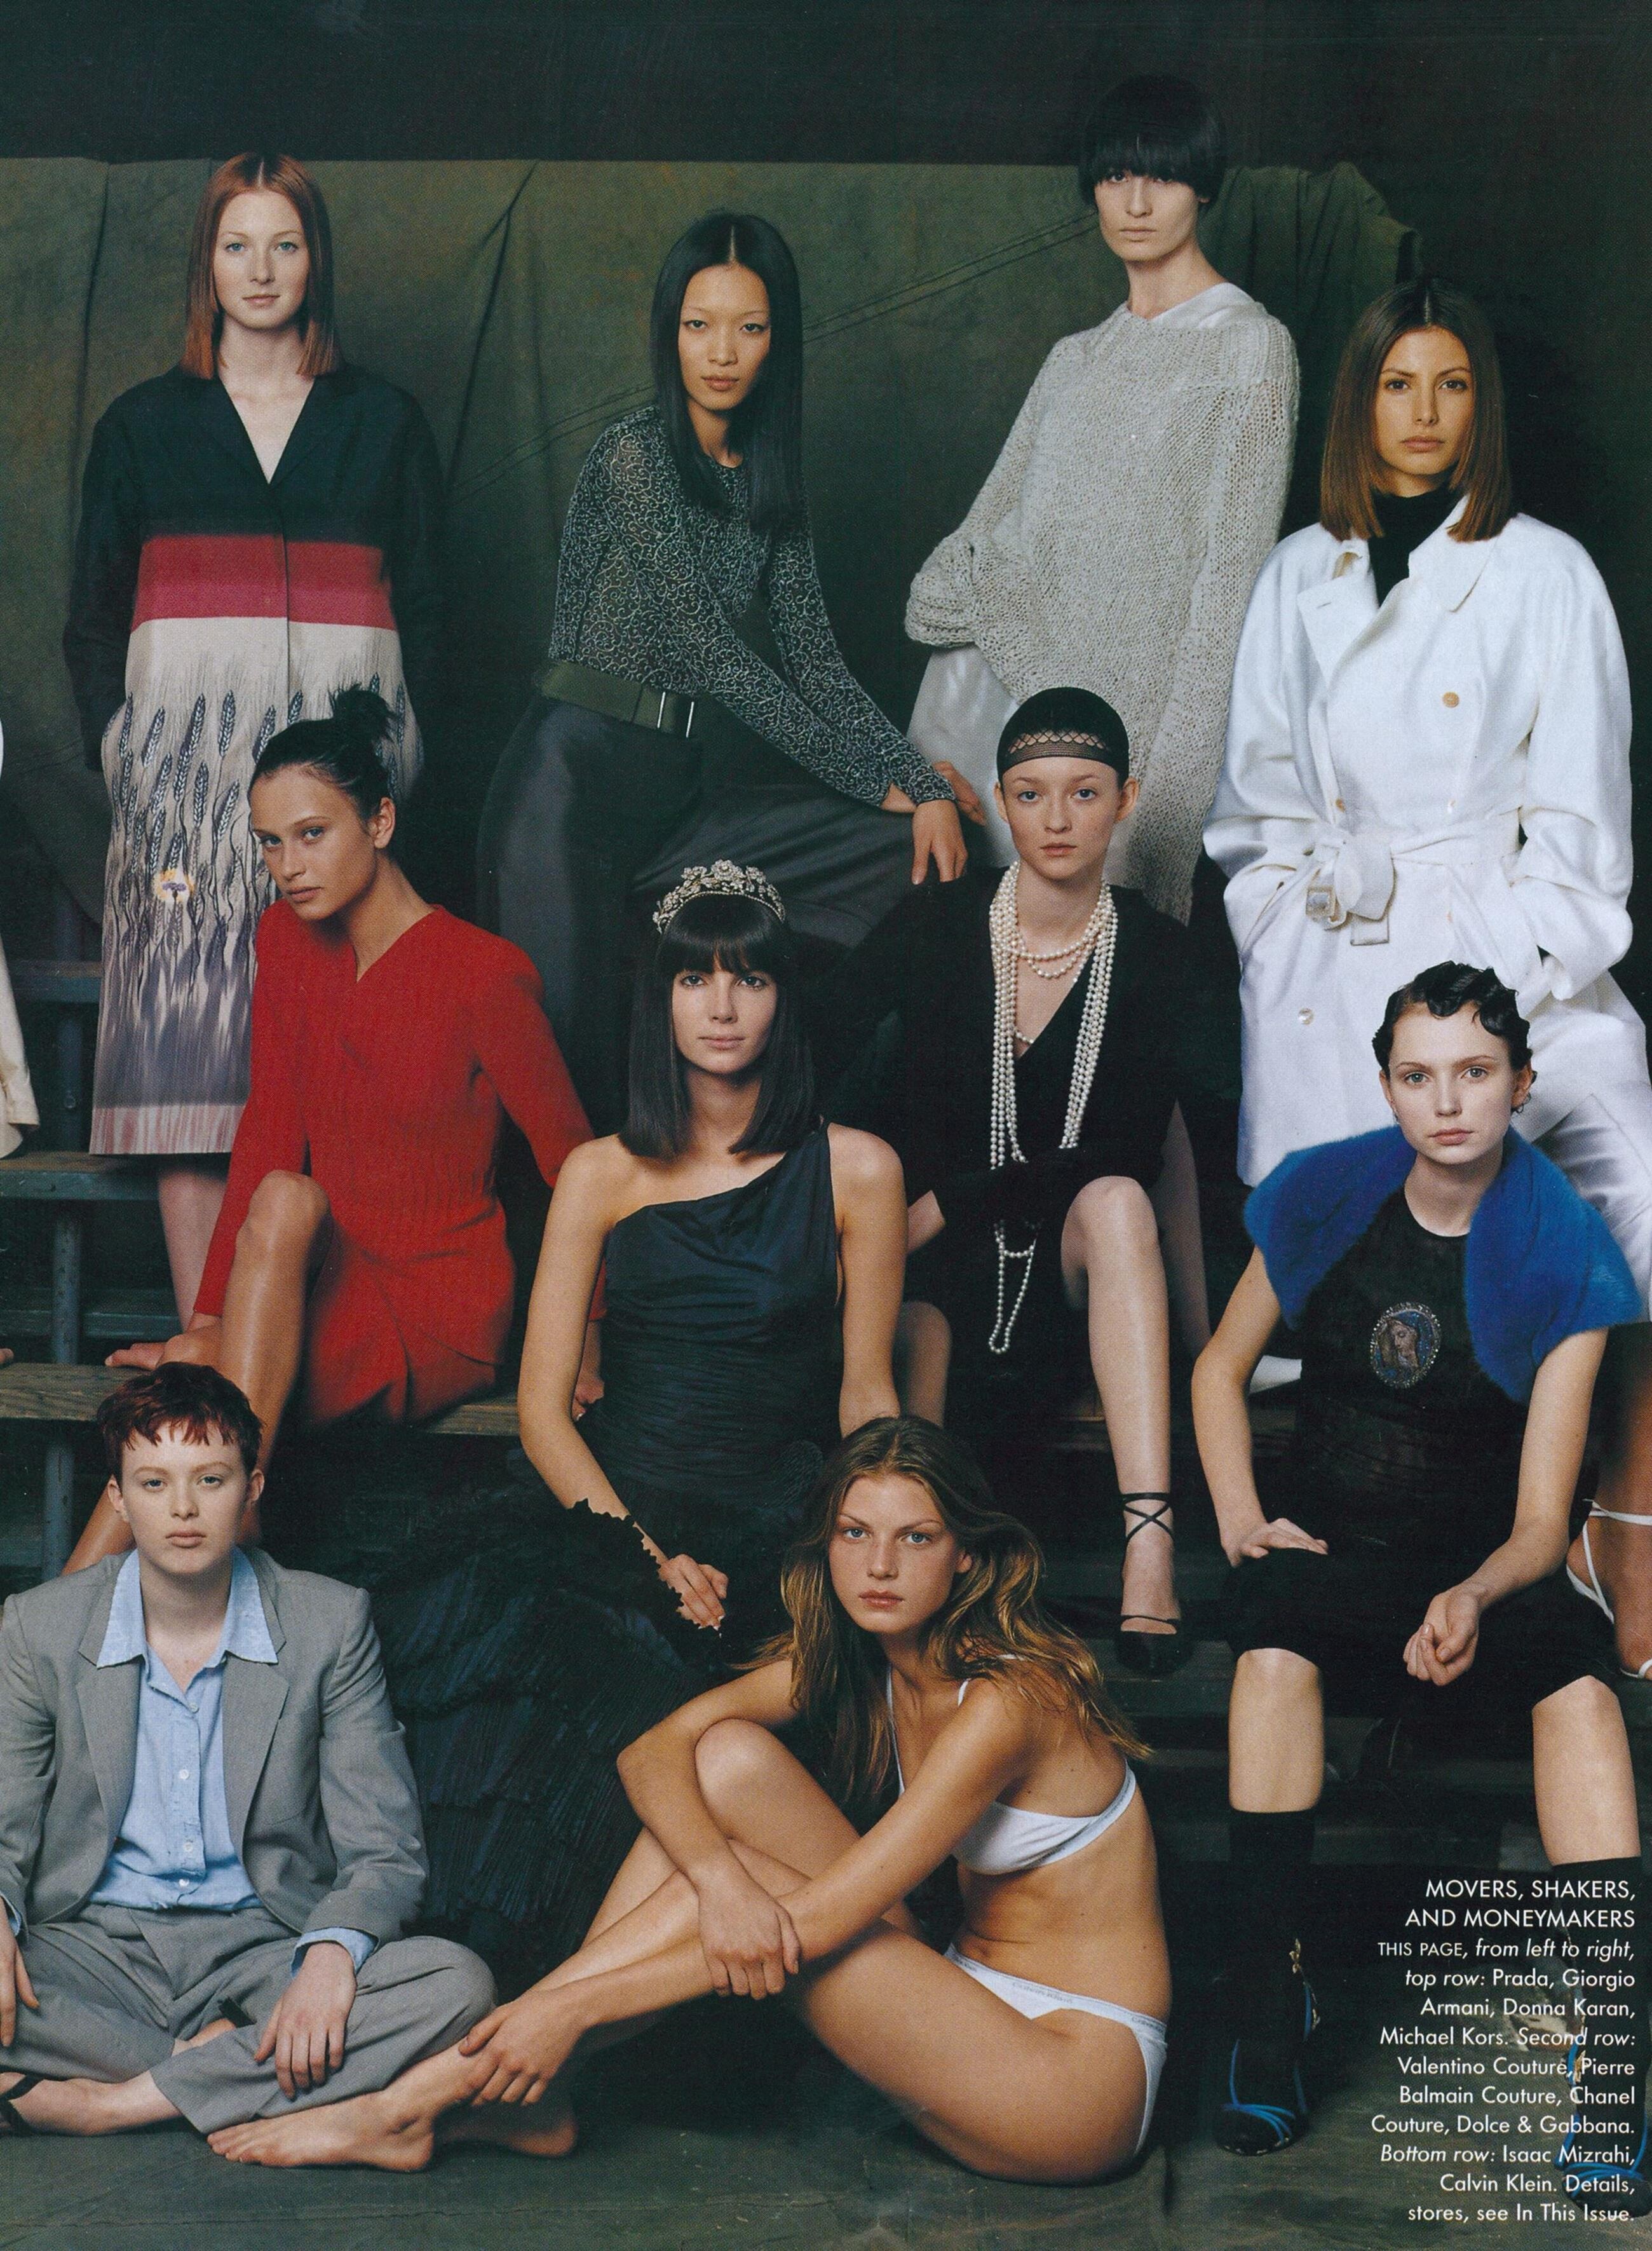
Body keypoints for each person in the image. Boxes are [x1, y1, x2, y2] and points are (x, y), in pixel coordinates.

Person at [203, 1416, 1170, 2182]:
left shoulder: (1008, 1700)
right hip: (956, 2005)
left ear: (965, 1553)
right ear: (829, 1543)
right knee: (725, 1759)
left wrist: (570, 2008)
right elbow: (653, 1751)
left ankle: (420, 2099)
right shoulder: (867, 1659)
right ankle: (524, 2090)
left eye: (916, 1537)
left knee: (739, 1874)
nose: (880, 1566)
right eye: (856, 1533)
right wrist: (718, 1878)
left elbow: (821, 1920)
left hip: (1074, 2082)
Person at [1205, 275, 1652, 1673]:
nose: (1423, 413)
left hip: (1495, 937)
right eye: (1398, 384)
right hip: (1331, 946)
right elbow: (1254, 809)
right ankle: (1348, 1545)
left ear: (1481, 407)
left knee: (1626, 1162)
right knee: (1350, 1237)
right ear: (1360, 401)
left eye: (1452, 385)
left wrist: (1506, 980)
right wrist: (1282, 922)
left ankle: (1612, 1514)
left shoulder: (1545, 572)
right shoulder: (1297, 571)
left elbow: (1583, 825)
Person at [367, 859, 907, 1987]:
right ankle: (522, 2015)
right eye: (695, 979)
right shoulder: (600, 1174)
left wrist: (890, 1538)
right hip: (613, 1517)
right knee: (566, 1721)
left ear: (784, 998)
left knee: (751, 1740)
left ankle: (609, 2021)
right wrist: (647, 1557)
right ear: (659, 1000)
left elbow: (866, 1396)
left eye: (751, 978)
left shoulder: (858, 1168)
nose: (722, 1006)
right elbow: (542, 1410)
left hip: (778, 1526)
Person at [1193, 964, 1648, 2213]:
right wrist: (1241, 1523)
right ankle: (1271, 2010)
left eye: (1474, 1072)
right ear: (1387, 1085)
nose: (1447, 1102)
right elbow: (1218, 1370)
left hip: (1483, 1569)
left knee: (1583, 1695)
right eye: (1418, 1074)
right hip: (1332, 1556)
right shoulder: (1325, 1192)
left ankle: (1613, 2066)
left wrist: (1473, 1596)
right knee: (1270, 1648)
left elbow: (1542, 1523)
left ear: (1520, 1082)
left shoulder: (1564, 1245)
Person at [65, 688, 589, 1571]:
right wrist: (211, 1318)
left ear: (380, 821)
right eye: (270, 842)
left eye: (312, 834)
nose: (288, 865)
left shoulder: (483, 972)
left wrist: (587, 1340)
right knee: (270, 1218)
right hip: (326, 1279)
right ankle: (222, 1521)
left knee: (194, 1389)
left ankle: (62, 1616)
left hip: (439, 1305)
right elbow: (270, 1130)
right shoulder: (285, 939)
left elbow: (576, 1163)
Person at [478, 208, 964, 1134]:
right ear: (670, 332)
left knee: (904, 853)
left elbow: (818, 665)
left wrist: (917, 784)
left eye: (749, 326)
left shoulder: (771, 478)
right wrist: (879, 776)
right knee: (571, 1098)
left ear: (779, 339)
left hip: (677, 799)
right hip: (567, 794)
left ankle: (787, 1142)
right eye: (698, 324)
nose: (722, 352)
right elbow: (715, 655)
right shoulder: (634, 456)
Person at [63, 152, 443, 1324]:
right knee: (189, 1050)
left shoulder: (383, 422)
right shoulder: (142, 425)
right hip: (183, 791)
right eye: (238, 245)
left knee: (339, 1053)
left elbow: (434, 611)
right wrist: (128, 754)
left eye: (285, 244)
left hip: (336, 790)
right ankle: (205, 1333)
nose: (262, 269)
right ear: (208, 264)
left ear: (315, 259)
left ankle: (311, 1337)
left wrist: (393, 758)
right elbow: (91, 617)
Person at [0, 1364, 494, 2143]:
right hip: (92, 1945)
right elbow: (5, 1819)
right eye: (154, 1483)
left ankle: (115, 2102)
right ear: (118, 1498)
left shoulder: (328, 1622)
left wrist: (329, 1956)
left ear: (252, 1486)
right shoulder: (40, 1626)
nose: (184, 1508)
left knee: (455, 1985)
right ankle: (216, 2068)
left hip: (265, 1945)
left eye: (211, 1478)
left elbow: (385, 1849)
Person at [822, 688, 1205, 1674]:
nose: (1058, 818)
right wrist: (867, 1211)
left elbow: (1123, 1147)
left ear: (1127, 799)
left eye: (1085, 792)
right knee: (919, 1342)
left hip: (1071, 1270)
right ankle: (921, 1598)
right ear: (999, 803)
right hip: (931, 1271)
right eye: (1031, 794)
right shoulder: (941, 922)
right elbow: (810, 1051)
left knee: (1117, 1201)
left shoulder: (1161, 953)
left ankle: (1150, 1551)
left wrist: (947, 1201)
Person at [905, 74, 1297, 920]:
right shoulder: (1073, 359)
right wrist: (1011, 604)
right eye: (1116, 176)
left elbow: (1223, 600)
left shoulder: (1251, 349)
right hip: (985, 739)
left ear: (1203, 186)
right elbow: (951, 570)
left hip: (1116, 766)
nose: (1136, 203)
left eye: (1162, 176)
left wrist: (1163, 821)